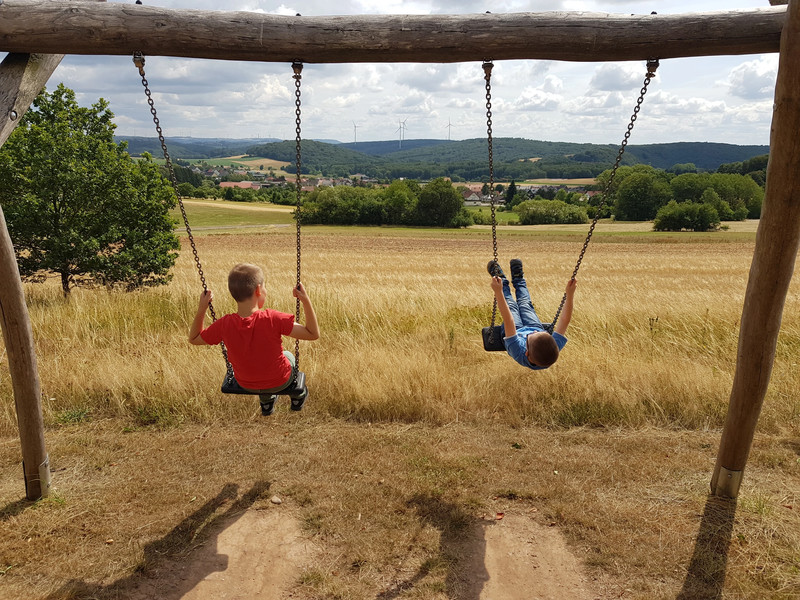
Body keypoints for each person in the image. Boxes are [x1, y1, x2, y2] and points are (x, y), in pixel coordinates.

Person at [189, 263, 320, 415]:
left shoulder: (224, 324)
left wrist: (202, 308)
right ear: (258, 290)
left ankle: (266, 400)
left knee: (258, 366)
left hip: (245, 383)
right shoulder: (273, 318)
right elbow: (312, 334)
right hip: (280, 381)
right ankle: (298, 395)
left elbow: (194, 338)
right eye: (265, 287)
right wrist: (305, 300)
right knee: (288, 355)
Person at [488, 258, 576, 370]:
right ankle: (519, 279)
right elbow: (565, 320)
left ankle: (502, 281)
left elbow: (508, 319)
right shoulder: (553, 348)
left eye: (532, 335)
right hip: (533, 323)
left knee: (511, 305)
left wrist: (498, 291)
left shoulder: (518, 350)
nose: (534, 332)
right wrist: (570, 293)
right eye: (541, 332)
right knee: (525, 303)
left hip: (515, 330)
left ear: (526, 352)